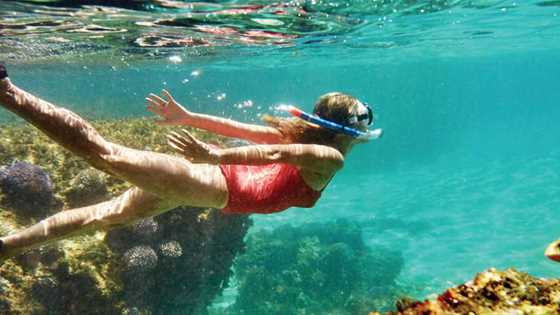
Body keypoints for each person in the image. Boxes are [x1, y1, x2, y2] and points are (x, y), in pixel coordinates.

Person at [0, 64, 379, 260]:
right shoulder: (329, 158)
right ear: (347, 134)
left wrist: (190, 118)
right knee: (104, 153)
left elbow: (241, 129)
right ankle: (8, 93)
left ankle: (9, 246)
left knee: (107, 215)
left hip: (204, 188)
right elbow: (275, 154)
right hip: (209, 182)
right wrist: (215, 154)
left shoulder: (303, 138)